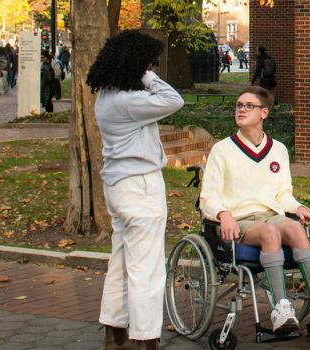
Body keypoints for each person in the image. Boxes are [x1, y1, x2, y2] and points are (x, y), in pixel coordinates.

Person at [199, 86, 310, 335]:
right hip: (241, 219)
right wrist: (223, 214)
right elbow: (209, 196)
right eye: (238, 105)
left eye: (249, 106)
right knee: (269, 232)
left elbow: (283, 194)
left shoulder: (277, 149)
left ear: (264, 113)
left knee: (294, 227)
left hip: (272, 214)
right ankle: (281, 308)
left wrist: (298, 206)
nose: (241, 109)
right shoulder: (222, 150)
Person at [87, 30, 185, 350]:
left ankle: (114, 332)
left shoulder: (106, 98)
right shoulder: (130, 101)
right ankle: (146, 339)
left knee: (121, 261)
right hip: (141, 185)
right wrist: (147, 74)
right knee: (147, 268)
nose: (151, 65)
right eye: (147, 61)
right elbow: (174, 99)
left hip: (116, 185)